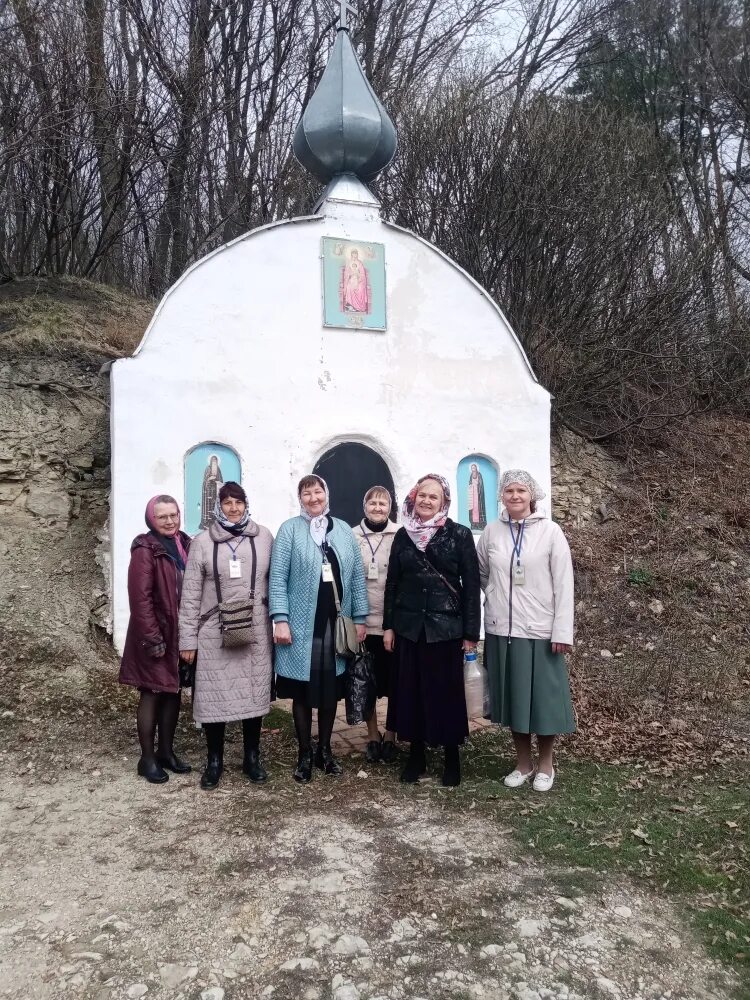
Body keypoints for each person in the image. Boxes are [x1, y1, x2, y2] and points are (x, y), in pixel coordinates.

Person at [476, 469, 575, 793]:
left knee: (543, 702)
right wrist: (494, 597)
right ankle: (523, 763)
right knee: (514, 700)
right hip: (502, 629)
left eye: (521, 490)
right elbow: (482, 572)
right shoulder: (492, 532)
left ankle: (546, 765)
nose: (515, 496)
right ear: (501, 496)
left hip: (540, 629)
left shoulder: (551, 532)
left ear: (532, 495)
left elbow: (564, 583)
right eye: (509, 491)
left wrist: (561, 631)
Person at [383, 474, 480, 787]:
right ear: (414, 498)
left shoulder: (460, 535)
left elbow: (471, 587)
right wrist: (388, 626)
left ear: (444, 502)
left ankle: (451, 757)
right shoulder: (403, 535)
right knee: (411, 693)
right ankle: (416, 756)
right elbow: (392, 583)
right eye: (422, 495)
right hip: (410, 628)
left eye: (433, 497)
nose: (426, 501)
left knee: (446, 694)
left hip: (445, 629)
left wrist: (470, 634)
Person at [270, 474, 368, 783]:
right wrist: (280, 618)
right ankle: (304, 753)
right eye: (307, 493)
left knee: (330, 692)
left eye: (318, 492)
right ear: (300, 498)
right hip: (301, 625)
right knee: (302, 692)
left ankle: (325, 750)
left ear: (326, 494)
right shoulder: (290, 530)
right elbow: (277, 578)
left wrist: (361, 617)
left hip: (334, 624)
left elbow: (356, 577)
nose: (314, 498)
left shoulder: (342, 530)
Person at [179, 482, 274, 790]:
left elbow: (277, 582)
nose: (234, 508)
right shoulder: (203, 542)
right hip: (213, 631)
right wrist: (187, 640)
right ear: (218, 506)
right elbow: (191, 594)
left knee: (253, 694)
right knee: (214, 699)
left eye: (238, 502)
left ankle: (251, 758)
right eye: (228, 502)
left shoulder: (264, 538)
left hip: (255, 627)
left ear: (247, 504)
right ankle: (214, 761)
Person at [119, 495, 192, 784]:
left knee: (172, 692)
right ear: (151, 518)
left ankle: (166, 752)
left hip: (177, 632)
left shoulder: (184, 543)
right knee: (151, 693)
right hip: (155, 634)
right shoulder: (145, 548)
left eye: (173, 514)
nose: (170, 521)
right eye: (162, 516)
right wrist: (152, 637)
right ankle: (146, 758)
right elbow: (140, 598)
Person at [353, 485, 399, 763]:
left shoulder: (399, 535)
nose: (378, 508)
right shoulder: (352, 535)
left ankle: (391, 734)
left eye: (383, 503)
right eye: (373, 503)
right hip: (363, 621)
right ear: (365, 506)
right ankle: (372, 734)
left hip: (391, 622)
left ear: (390, 508)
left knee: (395, 681)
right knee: (366, 681)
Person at [468, 462, 487, 530]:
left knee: (479, 508)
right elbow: (470, 483)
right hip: (472, 494)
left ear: (476, 468)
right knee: (473, 509)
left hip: (478, 494)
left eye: (474, 467)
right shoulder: (471, 475)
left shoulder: (479, 475)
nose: (473, 469)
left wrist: (477, 487)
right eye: (472, 468)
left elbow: (481, 484)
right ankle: (474, 525)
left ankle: (480, 525)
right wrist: (470, 486)